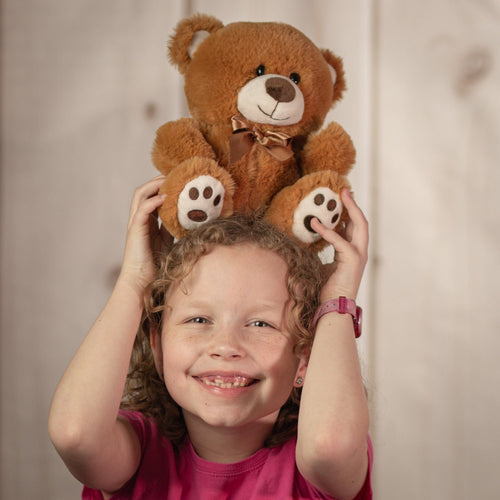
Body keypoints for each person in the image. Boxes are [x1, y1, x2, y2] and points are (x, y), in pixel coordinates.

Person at [49, 175, 372, 500]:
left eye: (261, 324)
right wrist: (135, 281)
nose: (226, 346)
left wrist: (338, 299)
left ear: (304, 359)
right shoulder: (138, 454)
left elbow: (330, 445)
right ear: (157, 346)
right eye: (199, 319)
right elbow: (75, 433)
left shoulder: (315, 474)